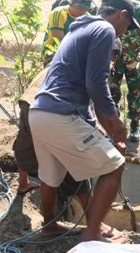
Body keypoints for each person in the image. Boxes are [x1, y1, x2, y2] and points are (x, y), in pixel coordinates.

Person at [29, 0, 140, 242]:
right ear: (122, 15)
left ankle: (49, 225)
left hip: (40, 113)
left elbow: (87, 98)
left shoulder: (79, 28)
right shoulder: (105, 29)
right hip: (60, 114)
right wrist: (115, 122)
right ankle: (92, 234)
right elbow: (96, 84)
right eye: (127, 26)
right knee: (115, 165)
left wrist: (108, 129)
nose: (124, 32)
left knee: (51, 175)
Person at [13, 68, 116, 238]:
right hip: (51, 111)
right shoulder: (90, 70)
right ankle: (94, 223)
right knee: (74, 168)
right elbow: (84, 112)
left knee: (27, 149)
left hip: (30, 105)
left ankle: (25, 186)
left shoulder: (66, 60)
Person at [107, 0, 140, 142]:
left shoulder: (138, 9)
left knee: (136, 92)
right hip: (114, 58)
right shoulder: (106, 11)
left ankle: (134, 125)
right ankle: (114, 125)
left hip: (134, 59)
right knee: (112, 92)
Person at [41, 0, 93, 65]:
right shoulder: (59, 13)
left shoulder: (87, 17)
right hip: (54, 52)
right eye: (80, 8)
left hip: (76, 53)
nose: (83, 11)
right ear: (71, 3)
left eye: (85, 8)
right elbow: (59, 41)